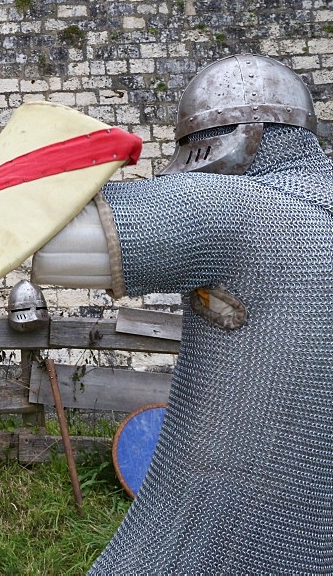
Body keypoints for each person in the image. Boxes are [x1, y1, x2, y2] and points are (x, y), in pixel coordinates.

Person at [31, 54, 333, 571]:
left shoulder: (245, 209)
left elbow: (45, 247)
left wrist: (9, 191)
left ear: (251, 134)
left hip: (235, 512)